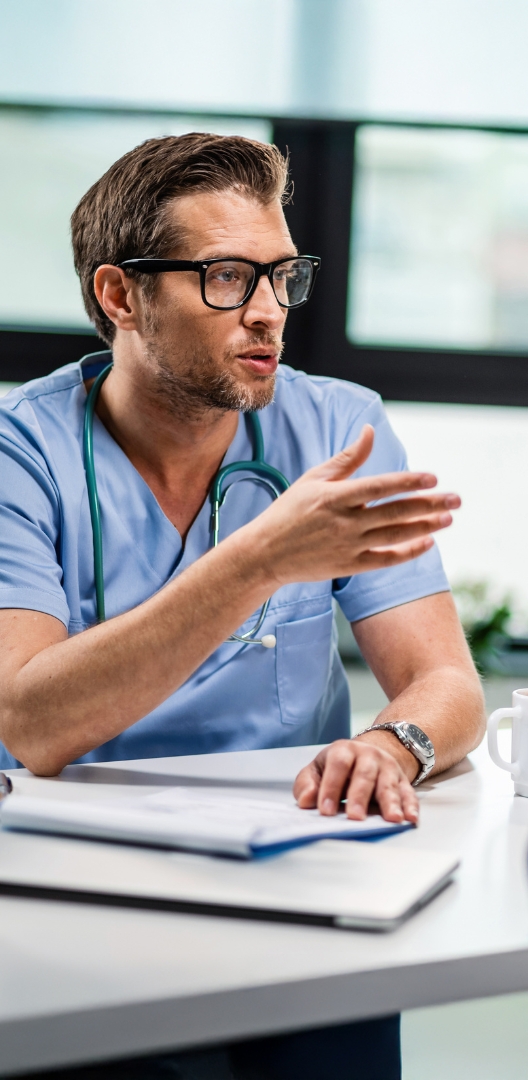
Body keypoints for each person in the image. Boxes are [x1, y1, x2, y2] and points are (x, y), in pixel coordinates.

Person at [0, 133, 485, 1079]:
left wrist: (394, 746)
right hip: (80, 888)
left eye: (281, 276)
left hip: (297, 869)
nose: (268, 311)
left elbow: (445, 682)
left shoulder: (338, 428)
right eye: (226, 277)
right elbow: (30, 723)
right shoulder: (23, 453)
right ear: (120, 296)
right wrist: (257, 562)